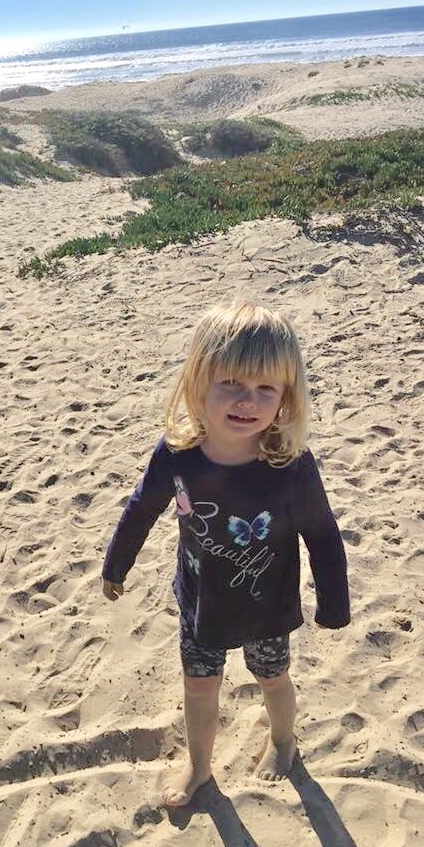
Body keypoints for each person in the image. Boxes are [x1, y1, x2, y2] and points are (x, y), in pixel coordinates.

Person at [102, 300, 350, 807]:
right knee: (199, 687)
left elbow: (322, 537)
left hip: (267, 606)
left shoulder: (290, 465)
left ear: (285, 397)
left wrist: (333, 604)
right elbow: (142, 508)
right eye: (231, 383)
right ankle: (198, 766)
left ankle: (283, 744)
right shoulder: (177, 455)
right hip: (202, 603)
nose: (247, 400)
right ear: (199, 381)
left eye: (265, 388)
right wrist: (117, 563)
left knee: (273, 677)